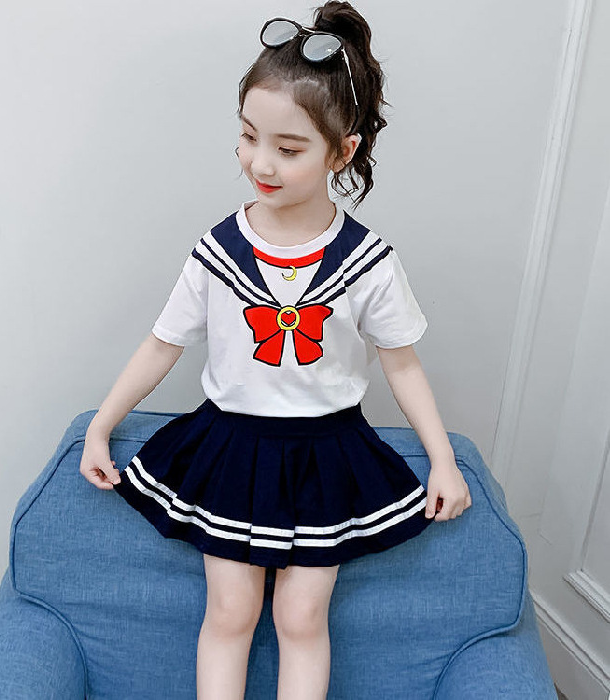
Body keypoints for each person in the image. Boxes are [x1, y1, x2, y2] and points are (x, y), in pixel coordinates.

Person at [80, 2, 471, 698]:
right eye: (248, 135)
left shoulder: (369, 262)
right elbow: (163, 343)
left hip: (328, 454)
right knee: (230, 612)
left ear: (342, 152)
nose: (260, 162)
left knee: (301, 616)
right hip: (231, 448)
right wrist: (100, 427)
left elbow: (402, 362)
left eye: (289, 149)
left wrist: (442, 459)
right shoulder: (219, 250)